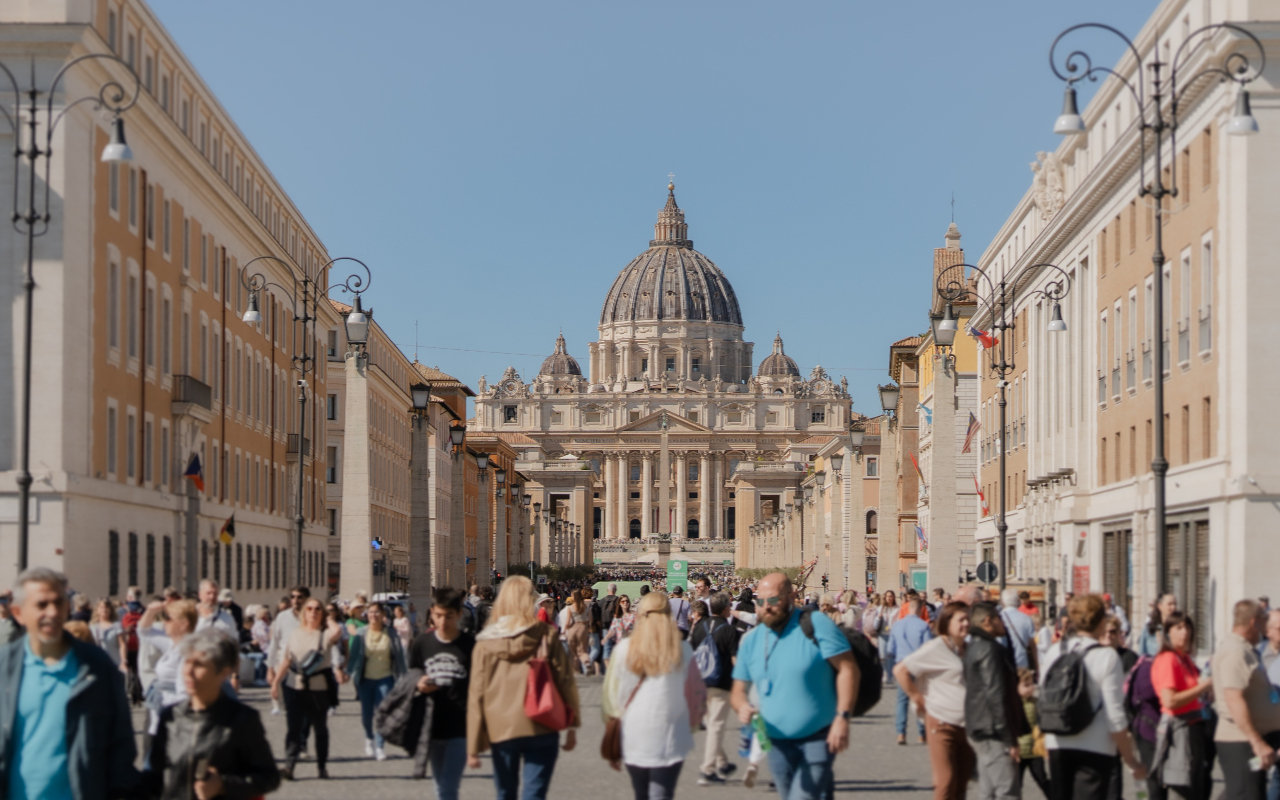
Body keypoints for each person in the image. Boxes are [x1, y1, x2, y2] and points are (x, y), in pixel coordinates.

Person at [0, 567, 139, 800]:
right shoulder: (5, 668)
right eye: (42, 605)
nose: (52, 612)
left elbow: (121, 748)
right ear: (18, 613)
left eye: (59, 603)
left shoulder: (96, 668)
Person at [731, 572, 856, 800]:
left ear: (791, 597)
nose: (766, 607)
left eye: (773, 600)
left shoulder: (816, 624)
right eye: (760, 601)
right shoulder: (751, 640)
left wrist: (843, 717)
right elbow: (738, 690)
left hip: (818, 737)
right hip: (776, 742)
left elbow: (849, 669)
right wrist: (742, 707)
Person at [467, 576, 580, 800]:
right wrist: (572, 725)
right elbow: (564, 680)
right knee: (534, 793)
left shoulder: (486, 641)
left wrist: (473, 743)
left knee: (505, 792)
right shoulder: (546, 633)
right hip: (542, 721)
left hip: (501, 725)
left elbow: (476, 692)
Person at [142, 629, 280, 800]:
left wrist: (223, 785)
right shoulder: (171, 717)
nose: (188, 671)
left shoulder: (241, 719)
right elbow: (153, 778)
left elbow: (269, 777)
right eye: (187, 663)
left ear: (223, 671)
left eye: (199, 664)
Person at [1041, 594, 1147, 800]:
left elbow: (1044, 695)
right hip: (1095, 745)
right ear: (1101, 621)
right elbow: (1115, 716)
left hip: (1057, 740)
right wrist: (1130, 759)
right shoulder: (1107, 656)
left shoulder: (1055, 651)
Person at [603, 591, 706, 800]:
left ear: (640, 614)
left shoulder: (623, 649)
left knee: (641, 794)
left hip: (633, 734)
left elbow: (610, 698)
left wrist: (611, 728)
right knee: (662, 793)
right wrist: (692, 727)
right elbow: (696, 695)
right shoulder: (683, 649)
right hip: (672, 734)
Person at [895, 603, 975, 800]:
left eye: (968, 619)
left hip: (968, 724)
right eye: (961, 619)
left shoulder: (970, 648)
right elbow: (900, 670)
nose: (966, 623)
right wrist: (916, 696)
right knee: (946, 782)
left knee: (961, 784)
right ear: (947, 623)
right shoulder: (936, 648)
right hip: (941, 722)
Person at [410, 587, 476, 800]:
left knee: (448, 787)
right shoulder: (422, 643)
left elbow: (479, 687)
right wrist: (419, 682)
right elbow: (411, 673)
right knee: (440, 785)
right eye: (438, 615)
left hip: (460, 726)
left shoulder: (470, 645)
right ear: (432, 613)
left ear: (459, 614)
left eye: (449, 616)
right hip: (431, 723)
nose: (443, 621)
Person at [271, 595, 344, 780]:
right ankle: (289, 766)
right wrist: (276, 681)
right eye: (309, 609)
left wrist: (328, 618)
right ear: (304, 613)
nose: (313, 612)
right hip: (294, 687)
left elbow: (337, 632)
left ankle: (321, 766)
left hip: (318, 689)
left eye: (317, 609)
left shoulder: (324, 634)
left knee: (320, 729)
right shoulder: (296, 633)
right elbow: (287, 659)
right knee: (293, 728)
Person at [1212, 600, 1280, 800]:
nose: (1266, 628)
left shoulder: (1247, 650)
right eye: (1264, 620)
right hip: (1241, 742)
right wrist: (1257, 742)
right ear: (1253, 622)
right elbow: (1234, 699)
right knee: (1244, 794)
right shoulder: (1235, 651)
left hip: (1253, 739)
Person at [964, 601, 1028, 800]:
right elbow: (996, 695)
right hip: (993, 730)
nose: (1004, 624)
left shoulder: (973, 646)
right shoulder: (990, 650)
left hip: (981, 726)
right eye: (1000, 619)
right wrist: (1009, 737)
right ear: (988, 621)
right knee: (1007, 792)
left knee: (988, 792)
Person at [1150, 611, 1212, 800]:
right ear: (1168, 632)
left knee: (1196, 787)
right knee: (1183, 787)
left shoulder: (1184, 659)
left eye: (1187, 628)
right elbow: (1170, 700)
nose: (1185, 633)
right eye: (1179, 628)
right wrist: (1204, 687)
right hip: (1179, 728)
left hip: (1194, 726)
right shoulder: (1168, 658)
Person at [690, 591, 741, 785]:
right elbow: (735, 660)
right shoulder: (730, 631)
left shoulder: (699, 627)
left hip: (700, 683)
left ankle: (723, 763)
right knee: (716, 726)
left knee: (712, 725)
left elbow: (694, 655)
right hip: (721, 684)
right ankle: (708, 770)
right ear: (727, 608)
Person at [347, 601, 408, 761]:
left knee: (383, 714)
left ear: (383, 615)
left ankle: (380, 746)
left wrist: (404, 676)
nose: (373, 615)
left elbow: (400, 656)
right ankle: (369, 738)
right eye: (371, 612)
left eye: (376, 612)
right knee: (367, 716)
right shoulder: (360, 633)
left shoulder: (391, 633)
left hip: (386, 678)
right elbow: (353, 657)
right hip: (365, 679)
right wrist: (347, 673)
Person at [138, 598, 198, 738]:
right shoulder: (173, 643)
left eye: (168, 618)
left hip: (173, 719)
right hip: (161, 711)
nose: (164, 622)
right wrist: (151, 610)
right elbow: (144, 631)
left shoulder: (187, 651)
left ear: (183, 624)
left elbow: (185, 694)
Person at [886, 594, 932, 745]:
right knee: (920, 697)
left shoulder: (897, 625)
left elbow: (890, 649)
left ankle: (901, 733)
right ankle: (922, 734)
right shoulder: (923, 626)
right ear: (920, 609)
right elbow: (928, 648)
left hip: (902, 666)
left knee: (902, 700)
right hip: (918, 666)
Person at [267, 587, 310, 743]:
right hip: (284, 665)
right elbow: (274, 643)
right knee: (291, 708)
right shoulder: (282, 617)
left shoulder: (313, 616)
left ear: (306, 599)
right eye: (293, 597)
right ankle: (295, 741)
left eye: (300, 597)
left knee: (306, 709)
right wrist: (270, 668)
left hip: (307, 668)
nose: (296, 600)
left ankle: (302, 738)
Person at [1000, 587, 1037, 672]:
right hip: (1022, 665)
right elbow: (1032, 645)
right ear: (1018, 601)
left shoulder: (998, 618)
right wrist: (1037, 668)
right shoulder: (1026, 619)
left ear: (1002, 602)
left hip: (1004, 666)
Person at [561, 589, 593, 674]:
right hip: (583, 628)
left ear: (573, 596)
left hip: (573, 628)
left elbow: (567, 622)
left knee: (573, 653)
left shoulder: (570, 608)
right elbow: (590, 619)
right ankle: (587, 662)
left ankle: (576, 671)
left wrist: (564, 631)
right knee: (582, 651)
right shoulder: (586, 607)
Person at [89, 598, 126, 670]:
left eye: (106, 607)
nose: (104, 609)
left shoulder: (117, 626)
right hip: (97, 665)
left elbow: (122, 644)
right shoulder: (92, 627)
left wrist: (123, 662)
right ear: (97, 610)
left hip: (114, 664)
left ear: (111, 610)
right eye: (101, 607)